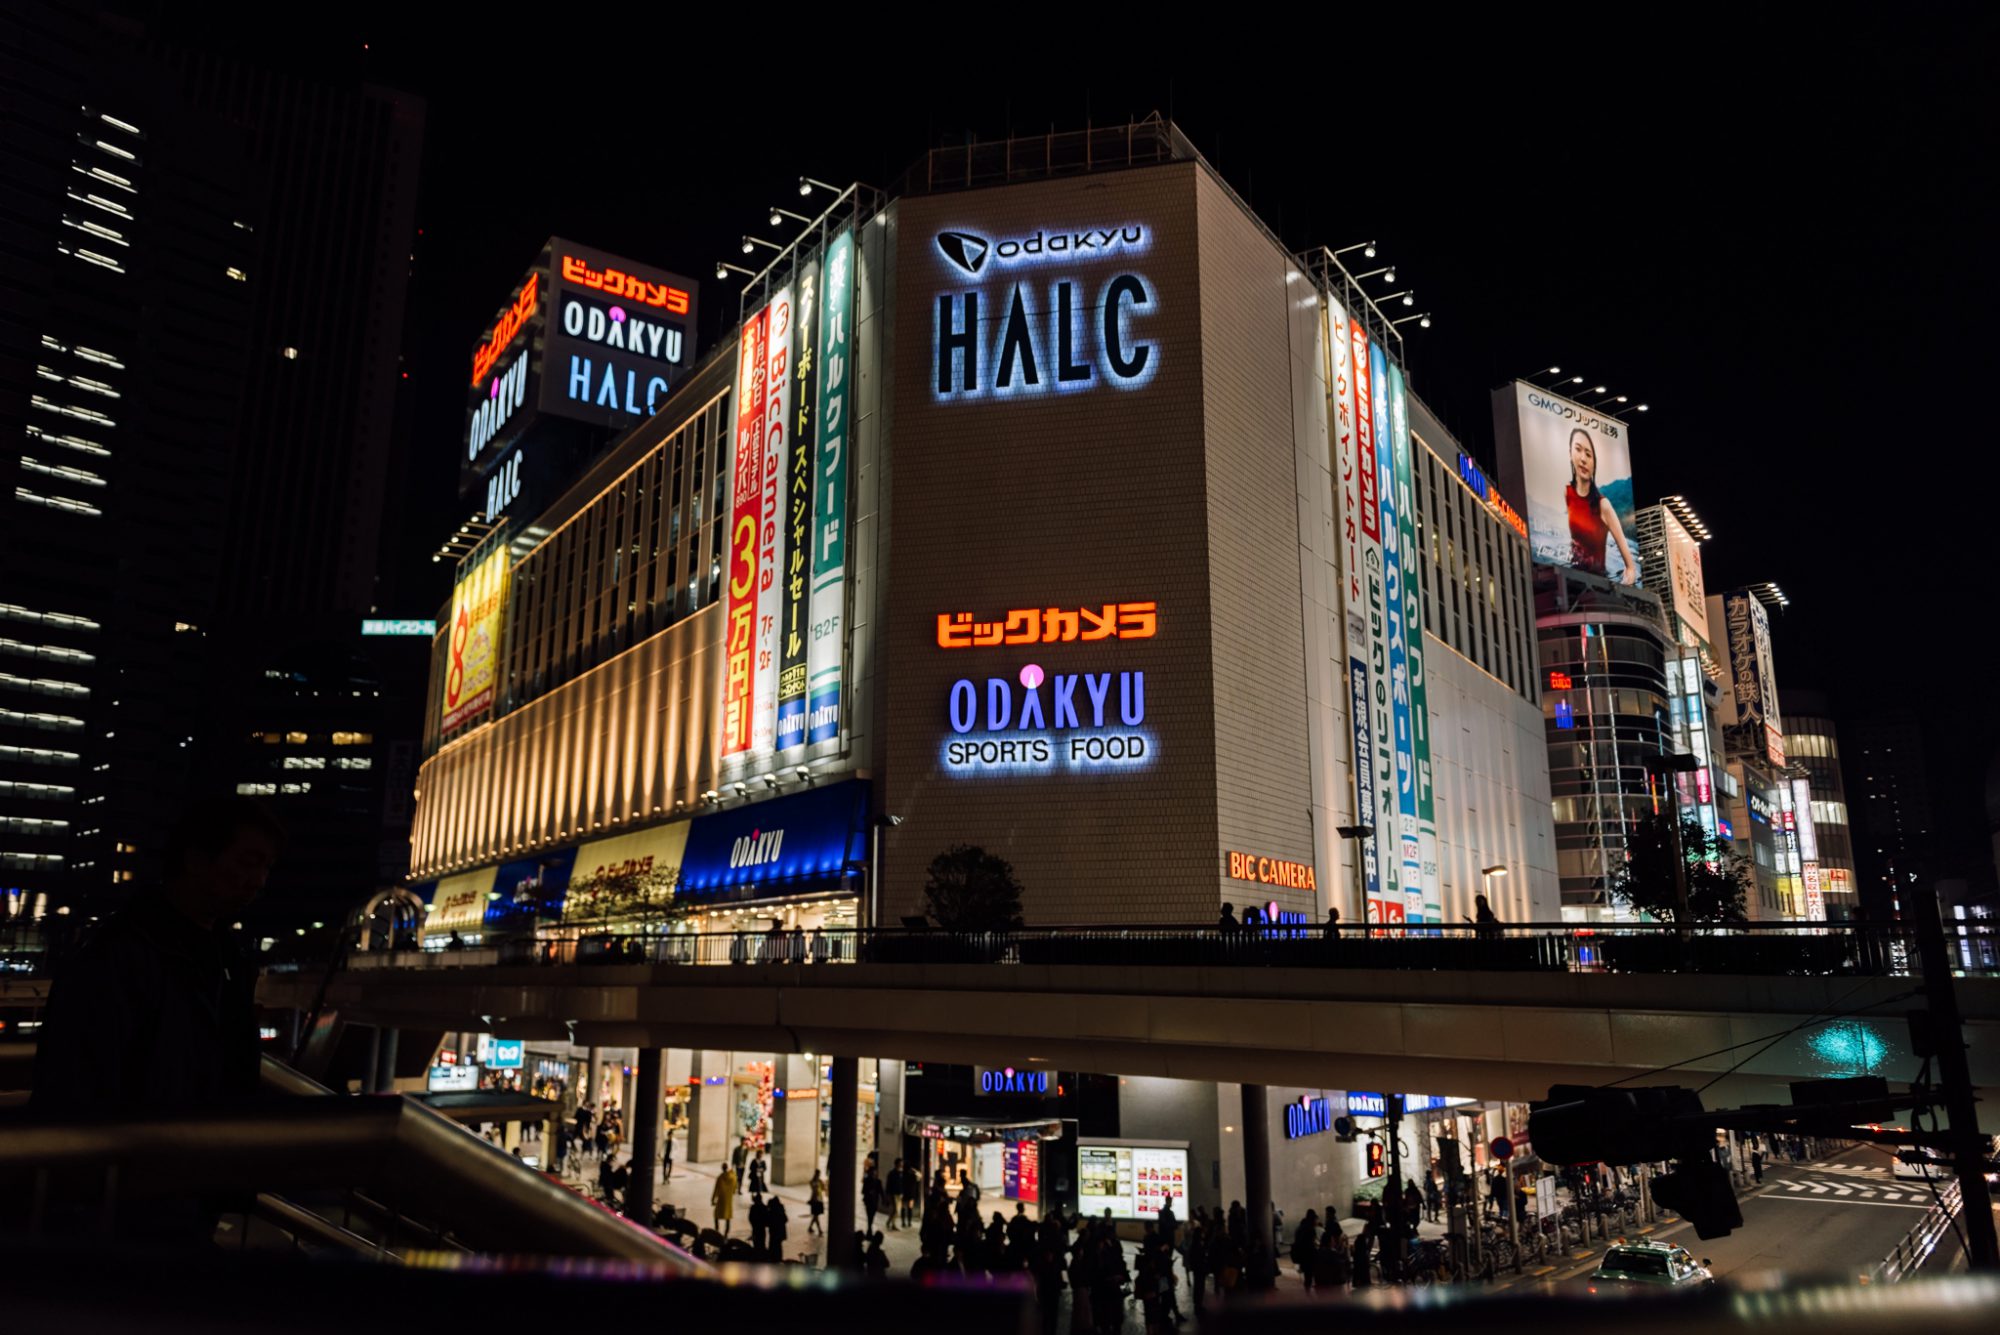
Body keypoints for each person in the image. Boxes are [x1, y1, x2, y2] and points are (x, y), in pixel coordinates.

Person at [34, 796, 283, 1134]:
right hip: (149, 1162)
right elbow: (78, 1081)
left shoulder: (221, 955)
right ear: (195, 859)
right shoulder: (122, 954)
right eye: (248, 863)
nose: (259, 880)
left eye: (266, 867)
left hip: (180, 1158)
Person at [1562, 427, 1636, 584]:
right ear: (1570, 454)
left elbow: (1630, 566)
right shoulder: (1567, 492)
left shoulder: (1603, 505)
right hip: (1572, 577)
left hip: (1597, 583)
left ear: (1594, 463)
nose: (1583, 459)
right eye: (1578, 450)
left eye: (1588, 455)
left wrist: (1625, 585)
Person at [1291, 1210, 1319, 1289]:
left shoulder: (1300, 1227)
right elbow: (1311, 1243)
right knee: (1311, 1273)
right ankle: (1309, 1290)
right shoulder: (1310, 1229)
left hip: (1302, 1254)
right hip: (1309, 1254)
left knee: (1307, 1275)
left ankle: (1307, 1289)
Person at [712, 1164, 737, 1236]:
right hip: (728, 1198)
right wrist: (733, 1192)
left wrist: (713, 1199)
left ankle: (717, 1228)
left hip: (721, 1198)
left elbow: (716, 1189)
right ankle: (727, 1229)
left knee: (716, 1214)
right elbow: (735, 1187)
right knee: (728, 1214)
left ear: (722, 1168)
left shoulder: (720, 1177)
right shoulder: (733, 1177)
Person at [862, 1162, 885, 1233]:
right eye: (872, 1172)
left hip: (875, 1201)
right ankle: (869, 1229)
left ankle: (869, 1229)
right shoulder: (867, 1181)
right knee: (870, 1215)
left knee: (872, 1215)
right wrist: (869, 1191)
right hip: (868, 1201)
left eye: (875, 1171)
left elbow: (881, 1191)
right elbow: (863, 1191)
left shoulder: (878, 1181)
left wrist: (884, 1199)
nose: (874, 1173)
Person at [748, 1192, 770, 1258]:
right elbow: (767, 1219)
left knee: (756, 1242)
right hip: (762, 1228)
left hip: (755, 1228)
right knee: (762, 1241)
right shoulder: (764, 1207)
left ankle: (757, 1255)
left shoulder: (753, 1207)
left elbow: (750, 1218)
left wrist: (753, 1224)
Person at [901, 1159, 921, 1226]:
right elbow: (920, 1176)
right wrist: (914, 1170)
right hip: (911, 1193)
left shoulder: (903, 1174)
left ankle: (903, 1222)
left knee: (903, 1208)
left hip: (904, 1192)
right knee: (909, 1208)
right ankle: (909, 1222)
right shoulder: (913, 1176)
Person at [808, 1167, 826, 1234]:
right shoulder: (813, 1182)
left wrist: (823, 1185)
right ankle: (819, 1230)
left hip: (819, 1200)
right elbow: (814, 1189)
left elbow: (823, 1189)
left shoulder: (819, 1181)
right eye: (818, 1174)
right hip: (815, 1200)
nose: (818, 1175)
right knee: (816, 1216)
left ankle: (810, 1227)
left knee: (816, 1216)